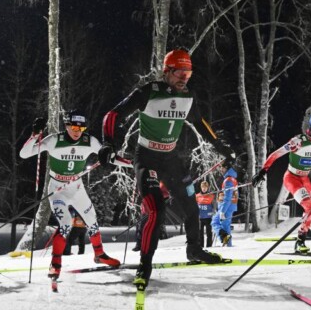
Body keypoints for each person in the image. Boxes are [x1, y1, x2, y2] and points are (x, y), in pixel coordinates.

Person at [100, 48, 235, 290]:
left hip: (171, 158)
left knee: (191, 203)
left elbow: (201, 123)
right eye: (179, 72)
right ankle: (145, 265)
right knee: (156, 209)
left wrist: (222, 148)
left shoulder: (189, 96)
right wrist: (108, 144)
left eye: (188, 72)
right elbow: (112, 114)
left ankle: (194, 249)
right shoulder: (149, 92)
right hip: (147, 157)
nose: (184, 77)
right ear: (167, 72)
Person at [19, 109, 120, 285]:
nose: (76, 131)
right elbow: (24, 154)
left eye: (81, 128)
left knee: (92, 219)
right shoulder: (54, 140)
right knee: (66, 223)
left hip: (77, 188)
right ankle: (55, 263)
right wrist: (35, 135)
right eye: (73, 127)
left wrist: (127, 161)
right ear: (66, 125)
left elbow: (111, 157)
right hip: (58, 189)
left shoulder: (90, 141)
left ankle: (100, 254)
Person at [252, 113, 311, 254]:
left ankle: (306, 229)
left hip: (305, 179)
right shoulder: (298, 141)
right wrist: (263, 171)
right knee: (309, 206)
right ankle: (300, 242)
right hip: (292, 178)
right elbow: (276, 154)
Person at [212, 161, 238, 246]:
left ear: (226, 168)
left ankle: (228, 244)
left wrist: (223, 211)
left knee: (221, 224)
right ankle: (226, 242)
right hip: (228, 206)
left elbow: (228, 197)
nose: (221, 170)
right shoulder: (231, 178)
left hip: (227, 207)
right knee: (219, 224)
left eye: (222, 168)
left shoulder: (228, 180)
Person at [195, 180, 215, 247]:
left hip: (208, 218)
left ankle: (209, 246)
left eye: (205, 187)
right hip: (200, 218)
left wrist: (214, 212)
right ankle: (201, 246)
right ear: (201, 187)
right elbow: (194, 206)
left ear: (208, 187)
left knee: (209, 233)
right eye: (203, 187)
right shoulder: (197, 196)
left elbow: (214, 206)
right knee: (200, 233)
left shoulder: (211, 196)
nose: (204, 188)